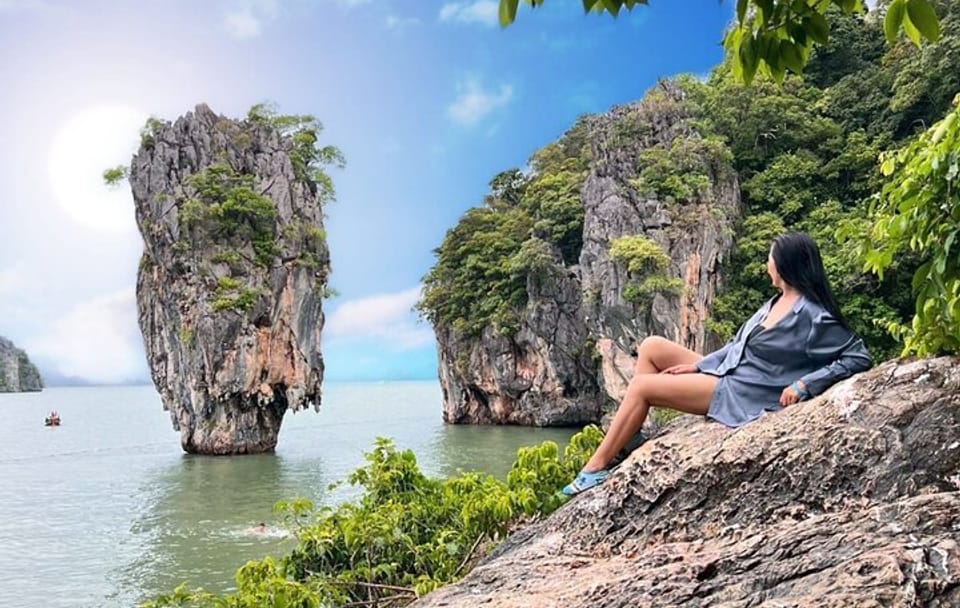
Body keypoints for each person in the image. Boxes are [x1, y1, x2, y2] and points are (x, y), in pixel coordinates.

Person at [562, 232, 872, 496]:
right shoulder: (775, 302)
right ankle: (629, 438)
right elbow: (737, 346)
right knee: (651, 347)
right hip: (733, 370)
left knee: (642, 386)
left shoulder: (814, 315)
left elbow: (858, 357)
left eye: (770, 258)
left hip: (745, 390)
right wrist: (698, 367)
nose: (767, 265)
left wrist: (805, 384)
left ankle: (597, 466)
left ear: (785, 265)